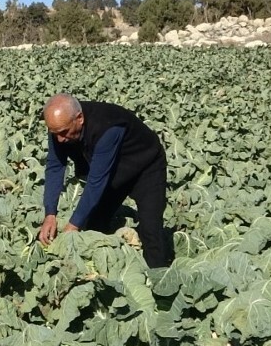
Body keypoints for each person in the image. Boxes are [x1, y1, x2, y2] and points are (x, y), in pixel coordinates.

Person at [37, 92, 173, 267]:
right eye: (54, 133)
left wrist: (72, 227)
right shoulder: (59, 126)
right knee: (94, 223)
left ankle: (158, 275)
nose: (60, 139)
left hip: (146, 165)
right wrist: (50, 214)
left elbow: (96, 181)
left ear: (79, 118)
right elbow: (55, 167)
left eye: (63, 132)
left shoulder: (107, 127)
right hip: (113, 169)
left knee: (151, 229)